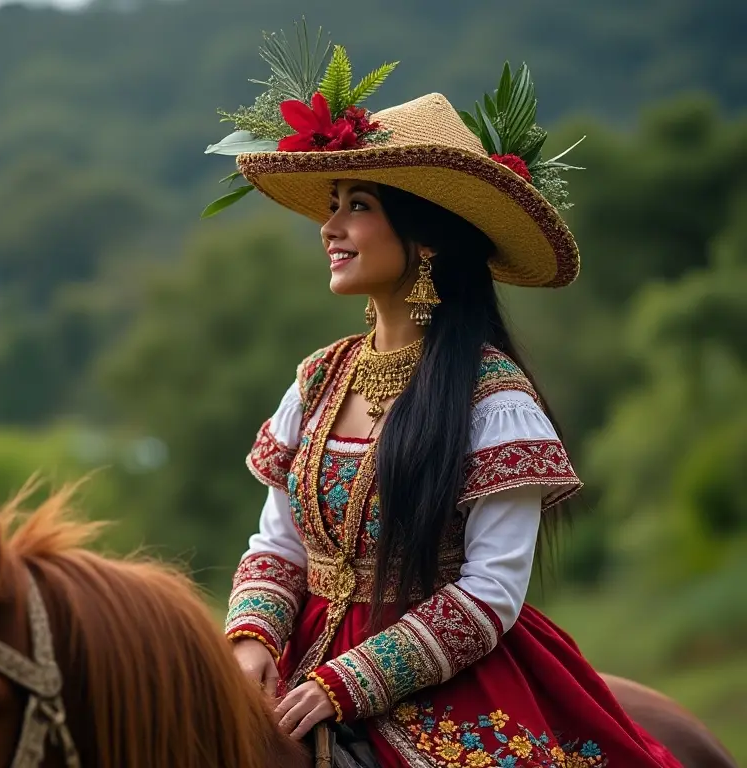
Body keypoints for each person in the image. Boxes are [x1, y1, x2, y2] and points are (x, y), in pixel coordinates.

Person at [208, 35, 682, 768]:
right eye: (332, 206)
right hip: (297, 663)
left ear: (425, 238)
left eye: (356, 206)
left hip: (444, 680)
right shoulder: (317, 379)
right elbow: (277, 543)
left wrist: (352, 681)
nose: (330, 228)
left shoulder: (494, 401)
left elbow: (492, 590)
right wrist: (249, 643)